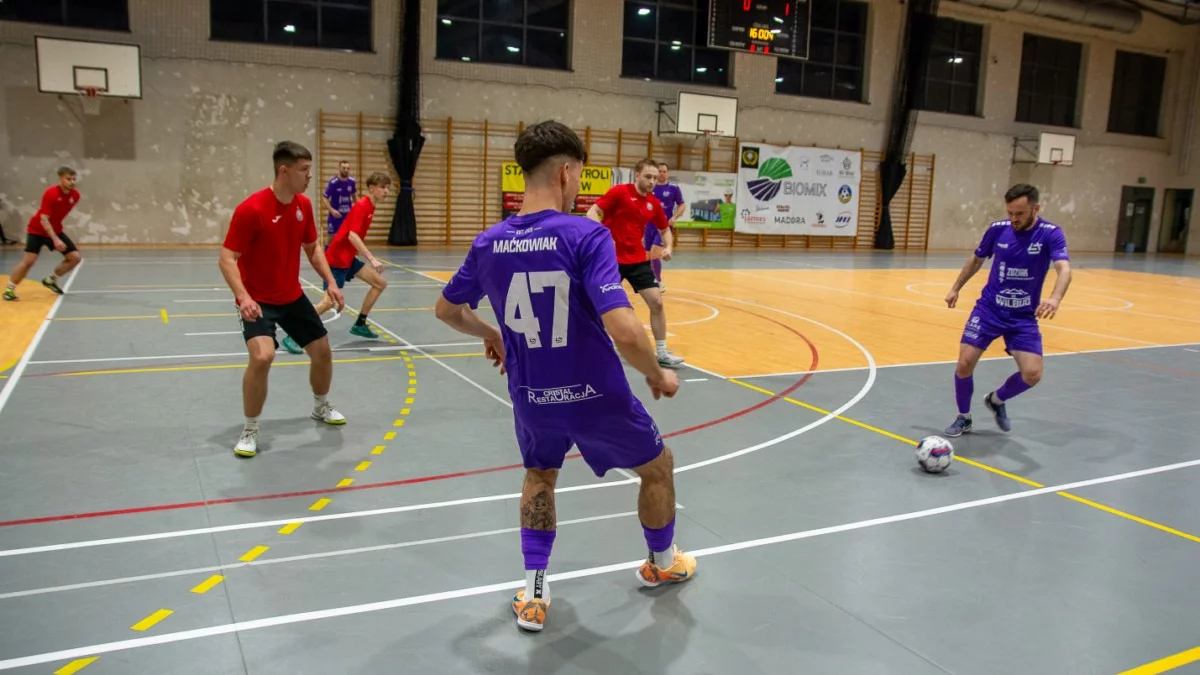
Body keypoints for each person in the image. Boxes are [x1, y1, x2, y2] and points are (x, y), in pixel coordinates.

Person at [434, 121, 696, 633]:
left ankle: (534, 591)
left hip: (531, 396)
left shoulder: (488, 243)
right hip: (595, 395)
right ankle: (662, 563)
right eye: (579, 178)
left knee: (539, 477)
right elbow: (622, 328)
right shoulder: (585, 234)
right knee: (658, 466)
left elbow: (446, 310)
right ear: (566, 172)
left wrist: (493, 334)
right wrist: (658, 372)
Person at [219, 141, 348, 458]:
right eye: (304, 170)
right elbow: (227, 257)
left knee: (322, 352)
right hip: (258, 300)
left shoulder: (303, 205)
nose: (309, 176)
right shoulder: (252, 209)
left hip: (291, 296)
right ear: (284, 170)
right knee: (262, 357)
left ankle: (320, 406)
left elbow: (313, 247)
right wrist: (243, 296)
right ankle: (250, 427)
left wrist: (330, 282)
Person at [943, 184, 1071, 437]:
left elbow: (1064, 269)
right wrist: (956, 287)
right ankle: (964, 417)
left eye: (1020, 214)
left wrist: (1055, 298)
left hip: (1023, 316)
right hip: (989, 309)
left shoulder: (1051, 233)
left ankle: (997, 400)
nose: (1014, 219)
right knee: (964, 363)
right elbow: (977, 259)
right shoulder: (997, 230)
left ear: (1036, 208)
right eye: (1010, 212)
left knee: (1032, 374)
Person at [587, 159, 684, 367]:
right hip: (610, 260)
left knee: (657, 302)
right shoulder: (620, 192)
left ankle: (661, 352)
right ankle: (591, 346)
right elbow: (592, 212)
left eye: (655, 179)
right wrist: (605, 237)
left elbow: (664, 229)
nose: (652, 182)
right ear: (637, 175)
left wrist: (668, 247)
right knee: (599, 306)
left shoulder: (653, 203)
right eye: (648, 177)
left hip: (637, 259)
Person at [282, 171, 393, 352]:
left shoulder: (371, 206)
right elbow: (352, 235)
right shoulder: (362, 206)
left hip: (347, 258)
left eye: (388, 188)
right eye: (383, 187)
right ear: (372, 188)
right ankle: (292, 335)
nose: (386, 191)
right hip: (337, 259)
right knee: (328, 303)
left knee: (380, 283)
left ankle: (360, 324)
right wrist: (371, 258)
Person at [3, 167, 83, 301]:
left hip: (56, 229)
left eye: (74, 179)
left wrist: (56, 236)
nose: (72, 182)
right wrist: (55, 240)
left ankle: (51, 279)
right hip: (37, 230)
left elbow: (58, 215)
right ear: (60, 179)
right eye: (68, 179)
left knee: (75, 257)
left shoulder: (75, 196)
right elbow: (44, 218)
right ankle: (9, 289)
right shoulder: (51, 193)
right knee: (29, 261)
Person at [644, 162, 686, 290]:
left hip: (663, 227)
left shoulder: (674, 188)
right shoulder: (651, 187)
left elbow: (682, 205)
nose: (662, 173)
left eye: (664, 171)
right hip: (649, 226)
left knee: (655, 253)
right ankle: (648, 280)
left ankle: (659, 282)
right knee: (647, 256)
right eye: (660, 171)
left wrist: (674, 217)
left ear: (667, 173)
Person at [321, 160, 356, 238]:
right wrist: (332, 210)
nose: (346, 170)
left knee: (349, 238)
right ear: (339, 168)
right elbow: (324, 197)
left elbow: (354, 196)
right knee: (331, 238)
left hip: (347, 216)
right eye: (344, 168)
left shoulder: (352, 182)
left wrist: (358, 208)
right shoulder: (333, 183)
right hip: (335, 216)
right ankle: (327, 250)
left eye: (348, 168)